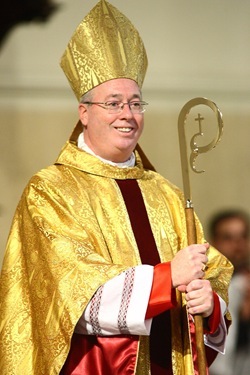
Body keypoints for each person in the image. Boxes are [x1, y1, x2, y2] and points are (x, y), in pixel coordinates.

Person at [0, 1, 233, 374]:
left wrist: (211, 305)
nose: (128, 114)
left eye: (136, 103)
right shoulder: (50, 191)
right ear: (84, 112)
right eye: (113, 103)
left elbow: (211, 275)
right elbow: (73, 296)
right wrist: (167, 278)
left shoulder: (166, 193)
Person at [208, 210, 250, 375]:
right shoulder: (202, 286)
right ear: (213, 243)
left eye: (243, 236)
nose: (237, 244)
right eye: (228, 238)